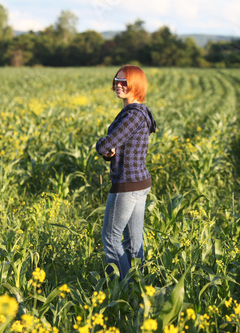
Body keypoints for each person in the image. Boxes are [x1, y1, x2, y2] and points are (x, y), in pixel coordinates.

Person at [96, 65, 157, 280]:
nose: (119, 85)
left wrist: (102, 145)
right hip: (139, 182)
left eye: (124, 82)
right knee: (133, 241)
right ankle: (139, 288)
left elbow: (107, 145)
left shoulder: (132, 115)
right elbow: (115, 149)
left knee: (111, 239)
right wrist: (110, 153)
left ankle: (125, 287)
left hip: (127, 183)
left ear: (136, 85)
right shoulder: (138, 113)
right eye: (117, 80)